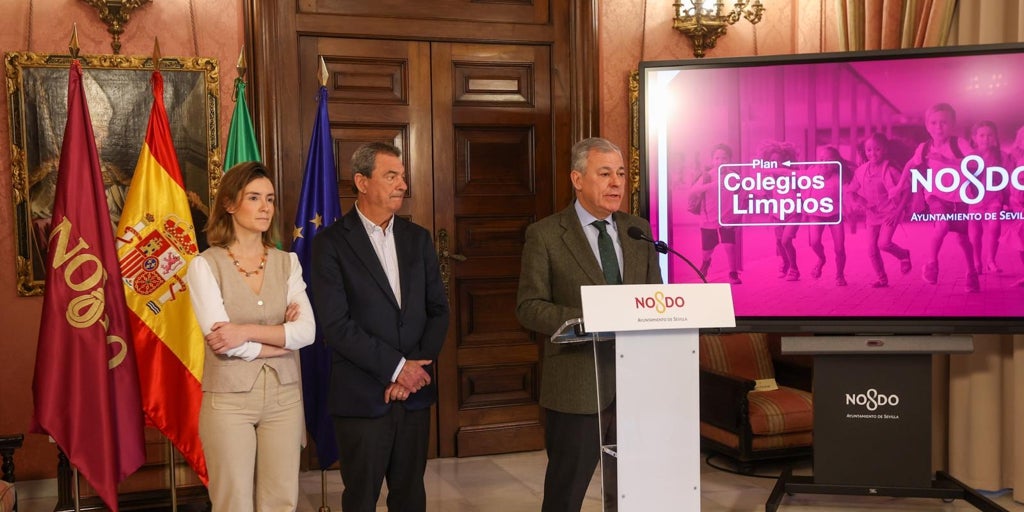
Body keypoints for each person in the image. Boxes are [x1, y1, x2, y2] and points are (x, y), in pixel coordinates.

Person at [516, 137, 662, 512]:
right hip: (577, 386)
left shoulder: (638, 230)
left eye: (621, 174)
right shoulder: (546, 235)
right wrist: (586, 319)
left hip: (636, 385)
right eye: (605, 174)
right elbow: (529, 307)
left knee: (639, 493)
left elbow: (654, 298)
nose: (616, 183)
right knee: (565, 495)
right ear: (577, 179)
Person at [311, 142, 450, 512]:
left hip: (414, 395)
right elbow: (337, 326)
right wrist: (396, 368)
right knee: (361, 499)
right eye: (391, 176)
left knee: (411, 496)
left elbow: (438, 311)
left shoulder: (418, 238)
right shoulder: (330, 244)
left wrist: (413, 371)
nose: (402, 184)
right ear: (362, 182)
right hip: (362, 395)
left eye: (402, 176)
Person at [185, 161, 316, 512]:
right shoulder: (204, 265)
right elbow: (223, 343)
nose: (265, 208)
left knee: (281, 502)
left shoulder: (288, 263)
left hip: (285, 397)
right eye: (254, 198)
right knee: (233, 503)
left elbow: (307, 332)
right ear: (229, 204)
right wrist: (281, 339)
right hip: (228, 401)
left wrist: (243, 331)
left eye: (269, 199)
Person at [901, 102, 978, 292]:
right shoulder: (924, 148)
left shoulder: (959, 143)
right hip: (936, 196)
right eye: (934, 123)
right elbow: (910, 164)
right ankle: (932, 264)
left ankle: (971, 272)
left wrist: (949, 161)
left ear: (952, 125)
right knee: (942, 226)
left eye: (944, 122)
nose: (939, 127)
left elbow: (975, 163)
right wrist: (899, 186)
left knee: (963, 240)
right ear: (927, 126)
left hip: (960, 198)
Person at [848, 133, 912, 288]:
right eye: (869, 150)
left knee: (883, 243)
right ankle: (882, 279)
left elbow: (907, 190)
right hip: (872, 216)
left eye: (877, 149)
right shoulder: (861, 171)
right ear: (865, 151)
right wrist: (862, 202)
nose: (873, 153)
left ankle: (903, 255)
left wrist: (898, 212)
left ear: (885, 150)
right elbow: (851, 191)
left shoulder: (890, 170)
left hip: (890, 213)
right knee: (871, 250)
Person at [691, 143, 743, 284]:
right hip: (708, 219)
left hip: (727, 219)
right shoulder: (707, 176)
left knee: (729, 246)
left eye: (724, 158)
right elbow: (694, 190)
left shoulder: (734, 176)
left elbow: (742, 192)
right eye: (717, 158)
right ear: (712, 160)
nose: (720, 161)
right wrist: (711, 185)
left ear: (730, 160)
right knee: (707, 250)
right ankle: (706, 261)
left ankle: (733, 273)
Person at [967, 120, 1009, 274]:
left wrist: (1008, 199)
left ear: (995, 137)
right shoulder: (970, 156)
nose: (986, 138)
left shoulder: (1001, 156)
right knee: (975, 233)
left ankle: (991, 260)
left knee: (995, 226)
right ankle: (977, 261)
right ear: (974, 138)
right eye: (982, 135)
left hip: (994, 198)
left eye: (990, 135)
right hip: (974, 199)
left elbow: (1009, 178)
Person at [805, 145, 849, 286]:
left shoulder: (839, 178)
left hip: (835, 215)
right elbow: (790, 173)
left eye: (828, 161)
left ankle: (840, 275)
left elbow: (849, 194)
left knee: (839, 248)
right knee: (814, 242)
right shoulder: (812, 172)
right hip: (816, 214)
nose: (823, 163)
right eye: (821, 159)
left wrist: (851, 208)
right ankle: (821, 259)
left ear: (835, 165)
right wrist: (771, 169)